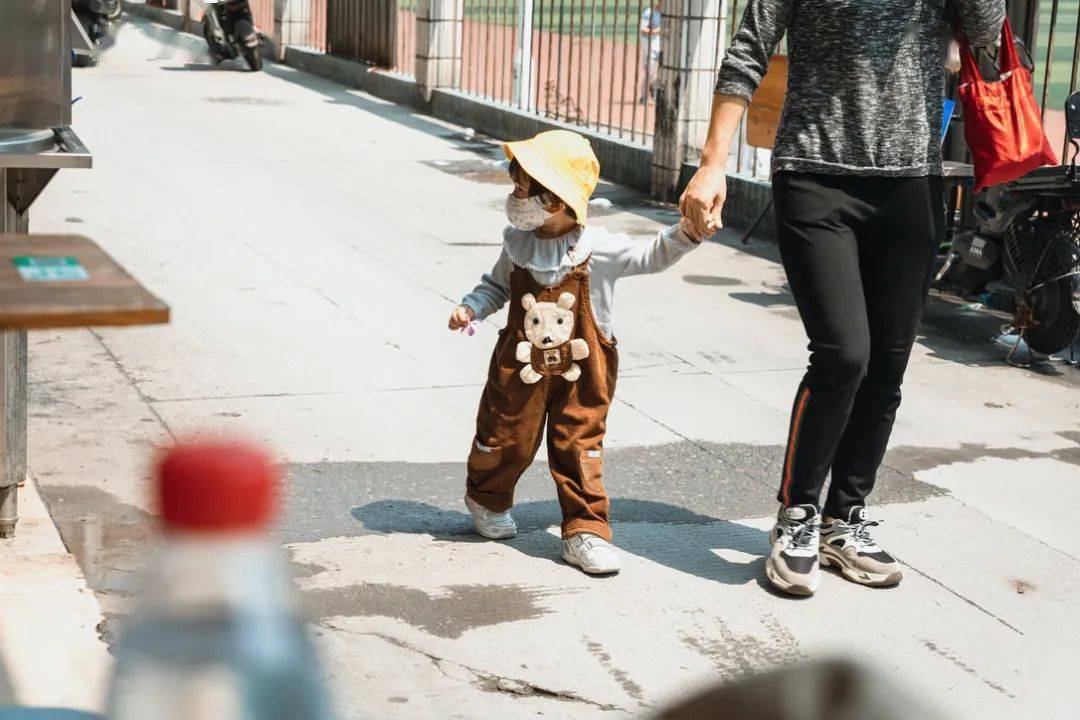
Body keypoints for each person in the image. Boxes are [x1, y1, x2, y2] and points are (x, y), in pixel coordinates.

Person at [680, 0, 1006, 596]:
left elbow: (986, 32)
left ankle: (843, 520)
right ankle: (797, 515)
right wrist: (712, 163)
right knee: (844, 353)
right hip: (815, 173)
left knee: (888, 364)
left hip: (911, 182)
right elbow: (748, 50)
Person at [449, 130, 700, 575]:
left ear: (558, 199)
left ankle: (585, 528)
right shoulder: (517, 243)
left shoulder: (598, 249)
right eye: (516, 188)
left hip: (584, 374)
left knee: (578, 444)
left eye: (524, 190)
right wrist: (472, 307)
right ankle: (485, 498)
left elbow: (651, 256)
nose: (515, 197)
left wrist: (686, 233)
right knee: (505, 434)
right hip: (518, 367)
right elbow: (495, 285)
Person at [640, 2, 662, 103]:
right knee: (650, 72)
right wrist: (655, 31)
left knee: (663, 73)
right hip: (650, 46)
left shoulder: (667, 14)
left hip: (662, 47)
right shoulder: (649, 13)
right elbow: (642, 29)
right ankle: (644, 96)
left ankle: (657, 94)